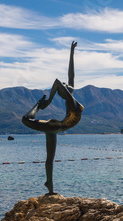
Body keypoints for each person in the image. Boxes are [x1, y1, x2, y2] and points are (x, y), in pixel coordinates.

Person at [22, 41, 84, 194]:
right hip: (57, 126)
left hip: (59, 126)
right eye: (64, 86)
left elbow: (70, 75)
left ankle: (39, 104)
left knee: (50, 156)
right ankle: (49, 185)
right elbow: (58, 82)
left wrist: (71, 52)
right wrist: (48, 100)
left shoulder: (71, 99)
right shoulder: (71, 101)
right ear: (63, 92)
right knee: (49, 157)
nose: (65, 83)